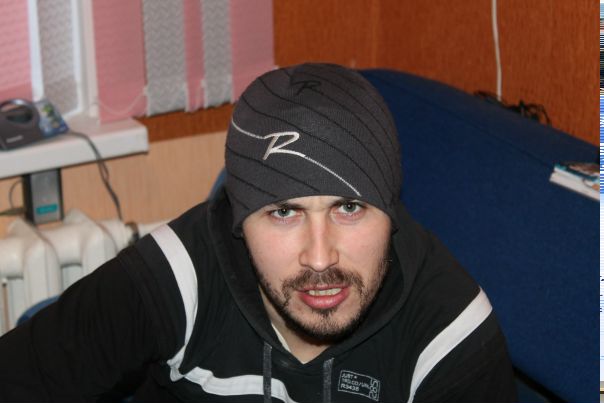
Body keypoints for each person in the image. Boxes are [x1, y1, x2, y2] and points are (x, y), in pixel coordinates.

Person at [0, 63, 517, 402]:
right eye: (284, 213)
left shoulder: (449, 335)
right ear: (238, 219)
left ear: (391, 210)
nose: (320, 258)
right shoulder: (181, 274)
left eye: (349, 207)